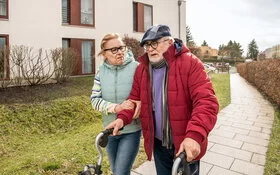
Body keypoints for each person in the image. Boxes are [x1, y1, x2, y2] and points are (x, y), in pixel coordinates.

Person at [104, 25, 219, 175]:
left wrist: (195, 135)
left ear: (169, 42)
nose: (150, 48)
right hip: (158, 144)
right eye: (146, 45)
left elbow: (206, 102)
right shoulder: (142, 69)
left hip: (185, 144)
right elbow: (133, 99)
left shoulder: (190, 63)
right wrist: (121, 119)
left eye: (154, 43)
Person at [90, 33, 141, 175]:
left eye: (121, 48)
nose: (119, 52)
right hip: (109, 130)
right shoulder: (100, 72)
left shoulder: (137, 68)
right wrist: (116, 107)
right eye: (114, 50)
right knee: (114, 169)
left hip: (131, 130)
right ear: (104, 54)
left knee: (121, 171)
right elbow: (94, 101)